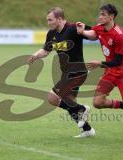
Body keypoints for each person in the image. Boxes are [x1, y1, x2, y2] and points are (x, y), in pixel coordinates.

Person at [76, 4, 123, 145]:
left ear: (111, 17)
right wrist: (82, 31)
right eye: (100, 14)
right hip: (110, 71)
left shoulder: (119, 35)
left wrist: (99, 63)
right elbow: (93, 35)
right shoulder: (100, 27)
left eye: (103, 14)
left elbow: (118, 60)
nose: (100, 16)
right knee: (97, 102)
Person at [28, 7, 95, 138]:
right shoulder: (51, 34)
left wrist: (85, 32)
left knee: (52, 97)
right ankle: (87, 130)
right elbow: (46, 51)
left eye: (50, 20)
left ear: (59, 19)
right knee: (69, 101)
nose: (48, 23)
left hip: (77, 71)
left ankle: (81, 109)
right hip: (66, 72)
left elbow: (94, 34)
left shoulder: (73, 28)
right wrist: (36, 54)